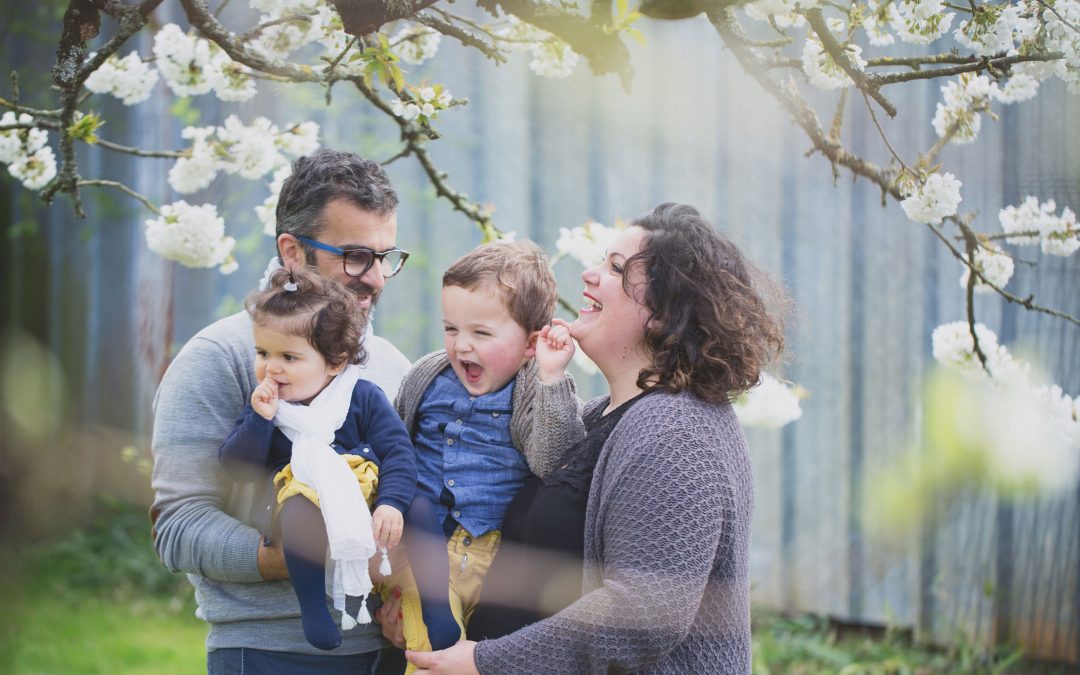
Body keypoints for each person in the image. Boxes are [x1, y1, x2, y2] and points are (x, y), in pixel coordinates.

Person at [401, 202, 787, 674]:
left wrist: (485, 661)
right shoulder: (604, 418)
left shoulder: (679, 434)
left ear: (664, 315)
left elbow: (642, 614)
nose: (589, 274)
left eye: (615, 267)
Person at [150, 148, 412, 674]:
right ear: (292, 252)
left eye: (386, 257)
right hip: (269, 653)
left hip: (388, 651)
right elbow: (177, 527)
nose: (377, 278)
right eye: (357, 256)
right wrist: (296, 558)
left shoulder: (389, 365)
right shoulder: (218, 358)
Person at [375, 241, 584, 667]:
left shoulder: (534, 389)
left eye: (481, 333)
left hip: (490, 558)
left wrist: (551, 376)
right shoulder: (427, 376)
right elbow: (394, 449)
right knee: (429, 651)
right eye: (451, 329)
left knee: (470, 656)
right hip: (424, 550)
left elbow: (553, 461)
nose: (461, 346)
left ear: (530, 344)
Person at [218, 267, 416, 651]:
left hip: (366, 495)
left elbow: (398, 451)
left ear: (334, 361)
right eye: (262, 353)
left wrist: (391, 503)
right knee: (297, 508)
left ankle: (434, 607)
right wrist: (259, 420)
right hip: (298, 500)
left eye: (289, 357)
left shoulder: (361, 396)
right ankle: (314, 610)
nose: (271, 368)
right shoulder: (267, 407)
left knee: (418, 505)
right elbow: (237, 468)